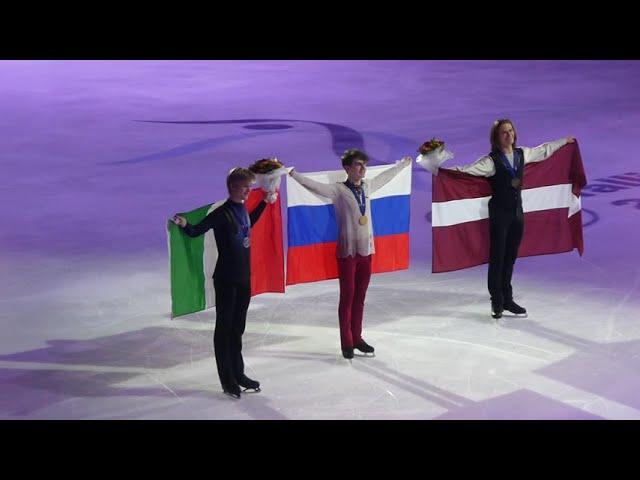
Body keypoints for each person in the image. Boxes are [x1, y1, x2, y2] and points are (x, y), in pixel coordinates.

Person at [289, 149, 412, 358]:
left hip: (366, 251)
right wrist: (293, 174)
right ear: (347, 168)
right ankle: (346, 341)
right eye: (358, 164)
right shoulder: (338, 190)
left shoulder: (367, 186)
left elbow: (385, 177)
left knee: (360, 298)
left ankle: (357, 337)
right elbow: (315, 187)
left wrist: (402, 165)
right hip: (347, 253)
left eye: (364, 164)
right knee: (347, 298)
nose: (363, 168)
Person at [450, 119, 575, 319]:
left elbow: (543, 150)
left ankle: (507, 299)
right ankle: (497, 302)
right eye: (503, 133)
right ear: (496, 138)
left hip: (517, 214)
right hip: (500, 215)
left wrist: (564, 142)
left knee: (510, 258)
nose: (509, 135)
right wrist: (441, 170)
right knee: (497, 259)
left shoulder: (521, 154)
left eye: (510, 131)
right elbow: (465, 171)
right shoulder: (490, 162)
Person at [172, 167, 277, 398]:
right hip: (226, 280)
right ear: (233, 188)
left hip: (243, 280)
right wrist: (183, 224)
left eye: (250, 186)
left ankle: (238, 374)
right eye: (245, 187)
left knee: (237, 329)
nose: (250, 190)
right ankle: (227, 379)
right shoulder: (222, 213)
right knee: (224, 329)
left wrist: (265, 204)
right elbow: (197, 230)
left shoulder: (242, 210)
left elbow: (250, 224)